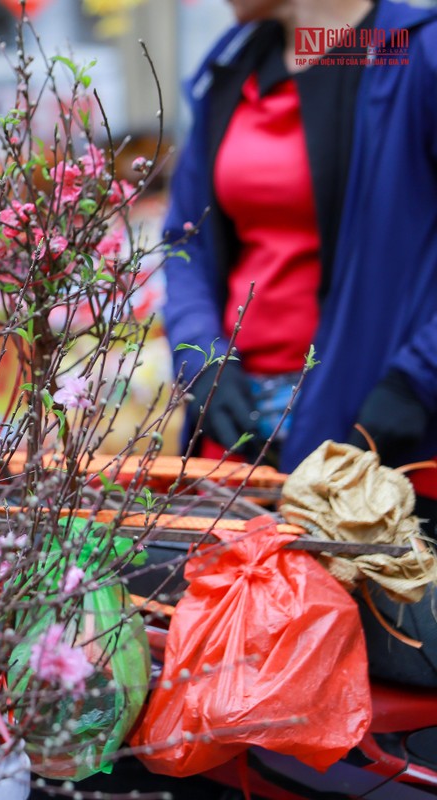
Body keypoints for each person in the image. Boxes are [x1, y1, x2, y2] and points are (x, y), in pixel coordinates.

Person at [163, 0, 437, 685]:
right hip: (239, 443)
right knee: (228, 694)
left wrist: (417, 380)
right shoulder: (235, 69)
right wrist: (201, 358)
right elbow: (185, 245)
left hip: (372, 455)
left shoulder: (408, 56)